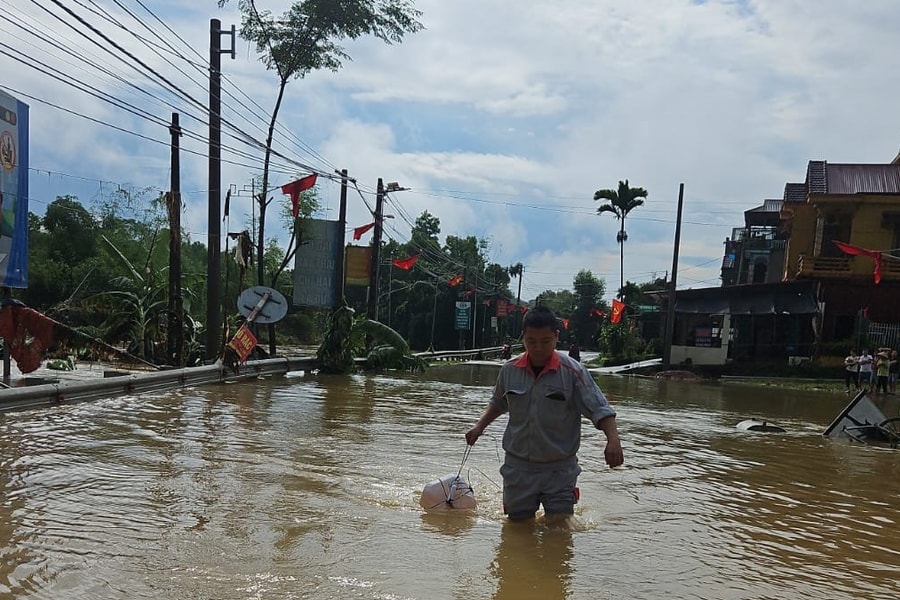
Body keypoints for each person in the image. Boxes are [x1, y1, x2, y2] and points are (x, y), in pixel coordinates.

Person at [465, 306, 623, 521]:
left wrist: (613, 441)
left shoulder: (573, 372)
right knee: (517, 529)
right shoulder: (509, 370)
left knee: (559, 531)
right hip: (518, 468)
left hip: (560, 470)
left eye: (545, 341)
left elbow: (601, 409)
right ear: (523, 338)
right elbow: (499, 403)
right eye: (531, 341)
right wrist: (479, 427)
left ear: (557, 337)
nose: (538, 348)